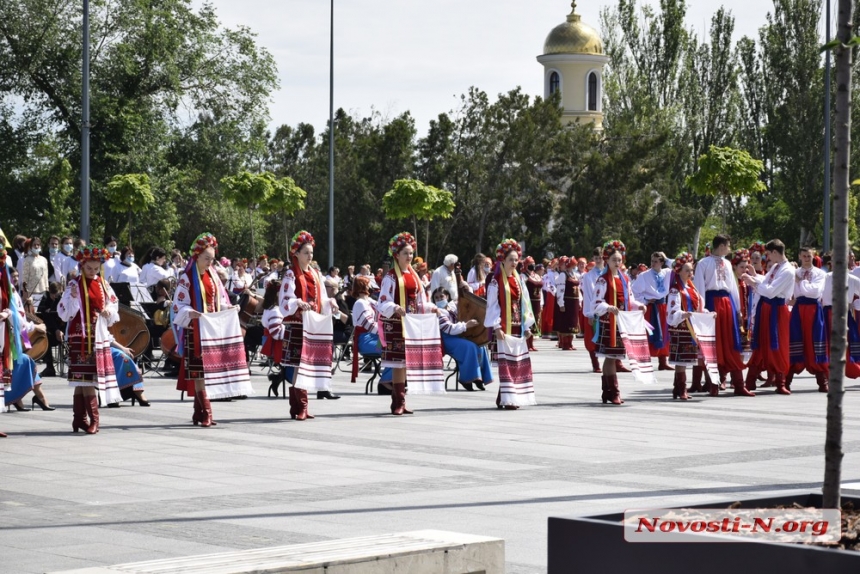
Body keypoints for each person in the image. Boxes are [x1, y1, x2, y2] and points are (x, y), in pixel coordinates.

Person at [172, 233, 243, 427]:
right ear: (196, 257)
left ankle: (200, 412)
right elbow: (178, 305)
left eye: (212, 259)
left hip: (211, 330)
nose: (210, 262)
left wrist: (229, 308)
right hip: (195, 328)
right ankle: (206, 412)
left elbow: (219, 301)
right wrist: (190, 312)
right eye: (206, 259)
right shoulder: (186, 279)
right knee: (200, 372)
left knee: (207, 372)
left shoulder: (213, 278)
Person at [57, 245, 123, 434]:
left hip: (98, 335)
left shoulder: (103, 283)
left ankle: (79, 419)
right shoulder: (74, 284)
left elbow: (113, 302)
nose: (93, 272)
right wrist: (74, 298)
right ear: (81, 265)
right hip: (80, 336)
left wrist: (108, 311)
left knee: (84, 379)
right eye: (89, 269)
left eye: (96, 269)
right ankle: (93, 420)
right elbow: (64, 312)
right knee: (85, 378)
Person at [279, 231, 341, 419]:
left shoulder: (315, 274)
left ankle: (301, 406)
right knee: (299, 363)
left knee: (306, 364)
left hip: (312, 322)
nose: (310, 256)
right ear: (296, 254)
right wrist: (296, 302)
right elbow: (285, 298)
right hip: (298, 322)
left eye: (311, 253)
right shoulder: (291, 273)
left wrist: (330, 303)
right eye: (306, 252)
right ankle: (299, 406)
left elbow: (321, 297)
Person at [377, 232, 439, 415]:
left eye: (411, 253)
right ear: (397, 255)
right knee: (398, 363)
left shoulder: (414, 276)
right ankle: (397, 402)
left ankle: (402, 401)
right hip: (396, 323)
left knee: (406, 363)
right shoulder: (390, 277)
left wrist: (430, 308)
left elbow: (419, 300)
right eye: (406, 253)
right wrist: (395, 307)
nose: (409, 257)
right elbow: (383, 301)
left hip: (412, 324)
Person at [692, 234, 751, 397]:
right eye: (728, 245)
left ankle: (739, 384)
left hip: (727, 303)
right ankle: (714, 385)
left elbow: (732, 287)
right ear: (722, 246)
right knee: (714, 343)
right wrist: (701, 310)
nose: (729, 248)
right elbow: (699, 287)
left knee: (732, 341)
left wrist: (738, 309)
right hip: (711, 303)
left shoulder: (727, 263)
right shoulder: (703, 263)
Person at [1, 243, 53, 416]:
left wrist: (27, 302)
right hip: (7, 336)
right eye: (12, 277)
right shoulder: (7, 293)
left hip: (13, 335)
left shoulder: (14, 293)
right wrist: (35, 326)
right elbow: (19, 321)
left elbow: (20, 317)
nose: (15, 280)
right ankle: (25, 398)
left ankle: (25, 398)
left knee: (24, 360)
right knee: (24, 361)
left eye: (16, 277)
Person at [592, 240, 646, 405]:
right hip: (609, 322)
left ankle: (609, 392)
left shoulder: (624, 279)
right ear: (607, 260)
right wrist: (608, 307)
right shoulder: (603, 280)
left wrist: (639, 305)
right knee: (610, 357)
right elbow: (596, 302)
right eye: (614, 260)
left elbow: (629, 299)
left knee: (613, 357)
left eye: (619, 260)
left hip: (620, 322)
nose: (617, 262)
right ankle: (612, 392)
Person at [484, 238, 535, 410]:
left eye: (516, 259)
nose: (514, 263)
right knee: (506, 364)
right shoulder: (496, 281)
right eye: (510, 259)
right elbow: (492, 305)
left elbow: (525, 304)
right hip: (504, 328)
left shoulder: (520, 280)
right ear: (502, 261)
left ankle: (505, 396)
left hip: (517, 326)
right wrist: (496, 326)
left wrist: (527, 326)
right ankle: (508, 397)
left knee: (516, 363)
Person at [742, 239, 795, 395]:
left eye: (768, 254)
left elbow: (771, 290)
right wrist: (755, 277)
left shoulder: (788, 270)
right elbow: (765, 282)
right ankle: (750, 380)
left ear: (774, 252)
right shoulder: (777, 267)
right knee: (760, 342)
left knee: (777, 344)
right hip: (766, 308)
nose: (767, 258)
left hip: (777, 309)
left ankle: (780, 382)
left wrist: (753, 282)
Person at [432, 287, 493, 392]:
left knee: (480, 345)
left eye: (441, 296)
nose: (439, 299)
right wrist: (466, 325)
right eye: (436, 298)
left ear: (447, 296)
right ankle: (467, 379)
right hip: (447, 340)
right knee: (470, 347)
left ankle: (480, 377)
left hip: (458, 336)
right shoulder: (439, 312)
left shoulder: (453, 308)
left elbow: (466, 293)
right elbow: (449, 328)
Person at [786, 247, 828, 392]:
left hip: (813, 310)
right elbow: (787, 291)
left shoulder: (820, 273)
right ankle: (787, 380)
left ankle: (822, 381)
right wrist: (789, 299)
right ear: (799, 256)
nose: (806, 258)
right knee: (795, 340)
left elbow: (814, 291)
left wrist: (800, 281)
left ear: (813, 256)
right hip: (798, 309)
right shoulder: (794, 273)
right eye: (804, 256)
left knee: (815, 341)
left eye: (809, 256)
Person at [665, 252, 705, 401]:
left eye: (691, 270)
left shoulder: (692, 288)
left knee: (687, 358)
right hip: (681, 327)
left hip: (690, 327)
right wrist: (683, 314)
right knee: (681, 360)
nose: (690, 273)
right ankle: (681, 389)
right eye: (687, 270)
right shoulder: (676, 289)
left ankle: (678, 388)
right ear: (679, 271)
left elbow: (698, 306)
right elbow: (672, 310)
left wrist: (707, 313)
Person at [350, 275, 393, 391]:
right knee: (391, 348)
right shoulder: (360, 303)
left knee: (396, 346)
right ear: (364, 286)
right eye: (369, 284)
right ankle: (385, 381)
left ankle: (392, 379)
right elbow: (369, 325)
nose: (371, 287)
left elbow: (383, 308)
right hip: (366, 340)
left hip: (374, 338)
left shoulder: (369, 301)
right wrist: (386, 333)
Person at [633, 251, 672, 371]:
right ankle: (645, 361)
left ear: (661, 263)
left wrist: (666, 258)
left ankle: (663, 361)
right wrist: (644, 300)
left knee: (665, 332)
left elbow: (677, 265)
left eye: (656, 261)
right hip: (651, 307)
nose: (653, 263)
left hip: (663, 306)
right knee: (649, 332)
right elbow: (634, 291)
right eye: (652, 261)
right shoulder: (644, 275)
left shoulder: (667, 272)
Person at [580, 248, 605, 373]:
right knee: (592, 337)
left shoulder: (609, 273)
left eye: (601, 257)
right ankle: (595, 364)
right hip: (594, 311)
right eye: (596, 258)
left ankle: (616, 362)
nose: (599, 259)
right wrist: (590, 314)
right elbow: (588, 296)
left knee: (610, 336)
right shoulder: (588, 276)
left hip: (607, 309)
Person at [261, 279, 286, 396]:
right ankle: (279, 378)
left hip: (269, 343)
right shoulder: (276, 310)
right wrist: (288, 329)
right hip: (275, 345)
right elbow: (276, 333)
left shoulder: (269, 308)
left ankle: (277, 378)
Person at [36, 281, 65, 379]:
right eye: (52, 294)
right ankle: (49, 367)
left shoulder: (62, 299)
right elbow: (42, 316)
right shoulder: (45, 300)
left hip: (62, 330)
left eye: (56, 295)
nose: (54, 297)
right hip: (51, 332)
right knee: (45, 336)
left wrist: (59, 330)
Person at [553, 256, 580, 351]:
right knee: (566, 323)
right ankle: (565, 343)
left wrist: (579, 301)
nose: (574, 267)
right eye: (573, 265)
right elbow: (560, 290)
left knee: (573, 323)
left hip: (574, 302)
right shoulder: (563, 275)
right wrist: (561, 304)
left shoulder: (575, 275)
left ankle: (570, 342)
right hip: (567, 302)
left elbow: (578, 290)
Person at [21, 236, 49, 301]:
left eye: (38, 245)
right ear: (31, 247)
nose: (36, 246)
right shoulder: (27, 259)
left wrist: (47, 288)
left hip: (43, 289)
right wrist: (25, 292)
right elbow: (25, 277)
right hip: (31, 290)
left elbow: (46, 275)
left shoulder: (44, 259)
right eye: (34, 245)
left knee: (41, 310)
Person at [524, 257, 543, 344]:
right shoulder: (523, 276)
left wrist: (542, 302)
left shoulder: (536, 276)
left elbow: (540, 291)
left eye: (533, 263)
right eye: (530, 264)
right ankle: (527, 343)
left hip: (537, 301)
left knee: (536, 320)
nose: (532, 265)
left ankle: (531, 343)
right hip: (528, 302)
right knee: (529, 321)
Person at [540, 258, 557, 338]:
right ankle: (547, 330)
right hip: (550, 294)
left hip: (554, 294)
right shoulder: (548, 275)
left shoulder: (557, 273)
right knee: (549, 312)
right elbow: (547, 285)